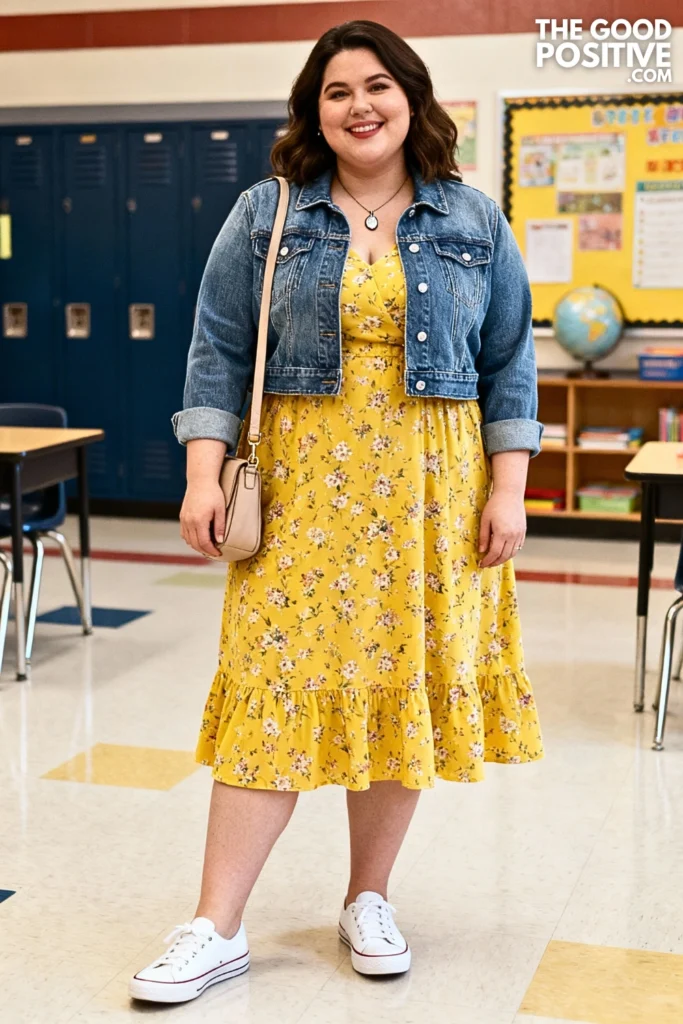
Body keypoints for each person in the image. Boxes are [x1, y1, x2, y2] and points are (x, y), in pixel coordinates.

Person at [129, 18, 544, 1005]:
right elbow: (217, 350)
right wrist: (200, 471)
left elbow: (509, 364)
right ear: (313, 111)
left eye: (375, 87)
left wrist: (508, 490)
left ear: (411, 98)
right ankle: (214, 923)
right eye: (335, 91)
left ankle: (369, 896)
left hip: (427, 495)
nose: (357, 106)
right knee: (270, 686)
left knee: (397, 686)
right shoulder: (267, 212)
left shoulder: (471, 220)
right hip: (303, 490)